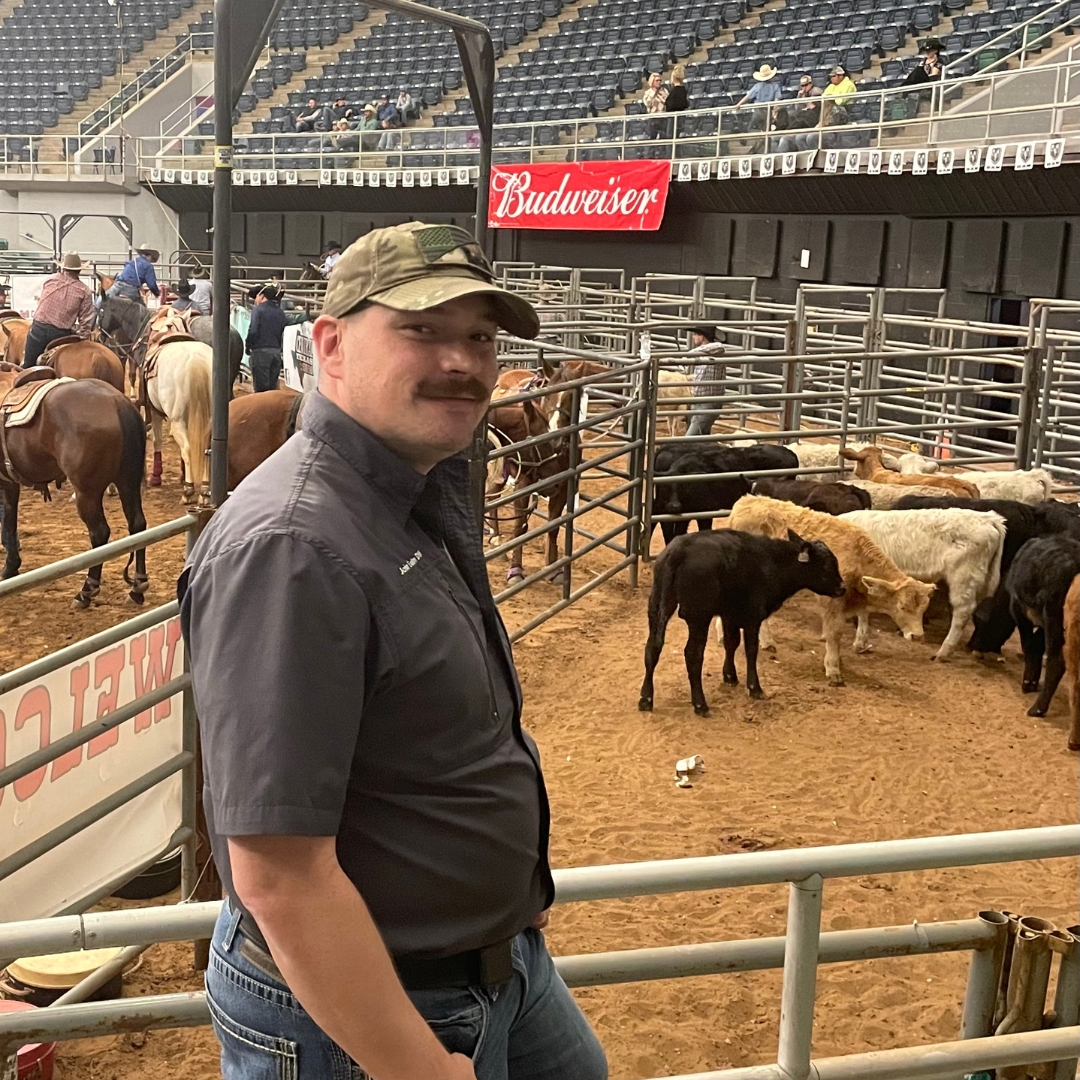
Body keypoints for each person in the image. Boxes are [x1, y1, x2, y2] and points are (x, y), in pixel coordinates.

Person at [179, 221, 608, 1080]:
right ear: (331, 345)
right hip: (371, 1010)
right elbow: (278, 872)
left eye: (481, 337)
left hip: (486, 965)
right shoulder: (295, 546)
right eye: (422, 330)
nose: (463, 361)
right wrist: (414, 1068)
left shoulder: (406, 488)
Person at [23, 251, 94, 368]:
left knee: (28, 365)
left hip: (39, 328)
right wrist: (83, 337)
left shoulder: (50, 280)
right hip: (61, 335)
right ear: (79, 271)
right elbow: (85, 321)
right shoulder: (84, 291)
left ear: (63, 268)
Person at [684, 325, 729, 437]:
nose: (693, 337)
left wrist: (689, 354)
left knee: (689, 439)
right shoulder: (704, 354)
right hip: (700, 401)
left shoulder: (716, 350)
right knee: (701, 437)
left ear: (702, 337)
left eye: (695, 334)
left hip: (708, 403)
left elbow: (718, 346)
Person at [244, 282, 288, 392]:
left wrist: (248, 344)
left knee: (261, 389)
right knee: (272, 388)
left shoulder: (258, 310)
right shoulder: (280, 312)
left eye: (256, 297)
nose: (255, 300)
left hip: (261, 352)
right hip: (276, 352)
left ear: (262, 296)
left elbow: (253, 330)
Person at [776, 75, 823, 153]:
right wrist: (799, 97)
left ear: (811, 84)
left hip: (813, 119)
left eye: (806, 85)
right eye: (802, 86)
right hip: (804, 117)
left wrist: (806, 104)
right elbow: (798, 109)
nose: (804, 88)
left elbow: (813, 108)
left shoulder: (816, 92)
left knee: (796, 125)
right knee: (790, 115)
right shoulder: (803, 94)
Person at [643, 71, 668, 140]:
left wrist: (663, 95)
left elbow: (667, 102)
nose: (659, 82)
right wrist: (655, 94)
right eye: (657, 80)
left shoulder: (664, 91)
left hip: (663, 117)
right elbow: (648, 103)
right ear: (652, 81)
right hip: (653, 118)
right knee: (652, 139)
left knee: (664, 138)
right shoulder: (648, 93)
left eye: (660, 80)